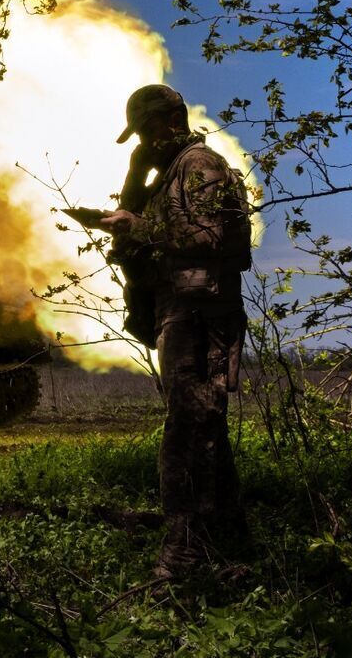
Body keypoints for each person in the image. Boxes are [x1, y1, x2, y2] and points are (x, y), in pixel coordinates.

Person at [95, 84, 253, 579]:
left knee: (187, 429)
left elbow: (206, 237)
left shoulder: (200, 164)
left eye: (147, 129)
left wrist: (136, 226)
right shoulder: (168, 174)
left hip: (201, 313)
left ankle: (185, 555)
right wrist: (135, 180)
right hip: (183, 312)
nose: (144, 139)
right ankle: (227, 537)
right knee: (203, 427)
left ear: (173, 120)